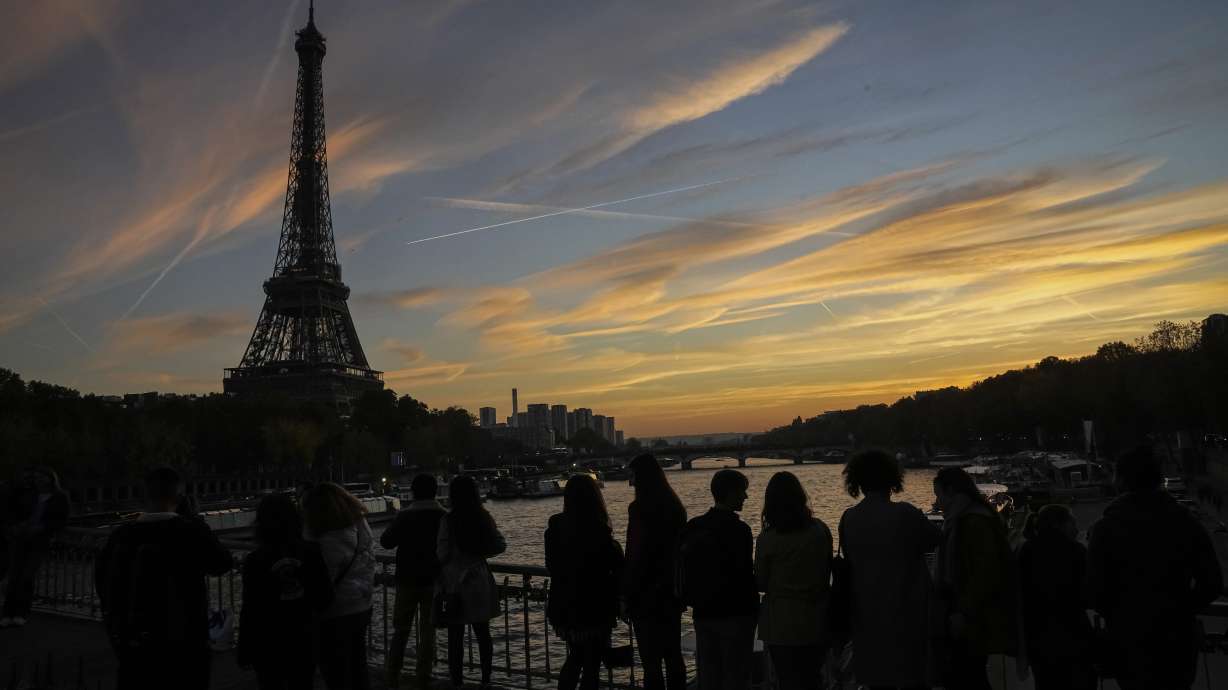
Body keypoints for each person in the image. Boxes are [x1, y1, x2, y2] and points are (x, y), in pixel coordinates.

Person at [1087, 446, 1222, 690]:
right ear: (1159, 478)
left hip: (1129, 641)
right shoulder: (1186, 522)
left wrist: (1122, 616)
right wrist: (1179, 609)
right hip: (1177, 640)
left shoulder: (1105, 528)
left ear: (1121, 480)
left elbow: (1095, 590)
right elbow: (1212, 583)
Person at [95, 466, 232, 690]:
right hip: (185, 641)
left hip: (134, 641)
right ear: (180, 497)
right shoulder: (190, 531)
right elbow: (222, 563)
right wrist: (195, 520)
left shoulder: (121, 536)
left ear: (143, 496)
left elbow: (104, 583)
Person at [838, 450, 939, 690]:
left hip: (866, 613)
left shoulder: (849, 518)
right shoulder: (905, 514)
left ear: (857, 482)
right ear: (892, 479)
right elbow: (935, 541)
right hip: (908, 609)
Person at [931, 467, 1017, 690]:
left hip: (971, 616)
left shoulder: (972, 523)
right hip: (970, 613)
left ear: (951, 491)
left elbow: (985, 573)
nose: (937, 502)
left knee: (967, 675)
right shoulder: (970, 517)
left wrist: (963, 612)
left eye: (938, 495)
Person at [238, 493, 335, 690]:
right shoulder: (311, 551)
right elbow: (325, 598)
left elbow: (250, 609)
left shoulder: (254, 560)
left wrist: (244, 649)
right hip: (303, 639)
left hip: (268, 642)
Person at [545, 474, 625, 690]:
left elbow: (552, 565)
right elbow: (612, 565)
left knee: (575, 657)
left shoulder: (556, 525)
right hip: (594, 605)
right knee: (591, 664)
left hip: (565, 604)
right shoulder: (598, 528)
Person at [680, 469, 758, 690]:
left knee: (709, 675)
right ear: (731, 493)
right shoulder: (740, 530)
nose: (746, 497)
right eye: (742, 491)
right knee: (736, 676)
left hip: (704, 612)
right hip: (736, 613)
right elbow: (743, 573)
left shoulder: (693, 527)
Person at [755, 471, 832, 690]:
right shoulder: (819, 530)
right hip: (816, 616)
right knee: (812, 678)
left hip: (781, 622)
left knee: (787, 679)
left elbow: (761, 582)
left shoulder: (767, 539)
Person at [301, 482, 377, 690]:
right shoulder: (361, 526)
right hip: (362, 604)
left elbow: (322, 580)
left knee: (336, 671)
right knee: (358, 665)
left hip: (336, 612)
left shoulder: (328, 541)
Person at [622, 453, 687, 690]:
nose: (631, 482)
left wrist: (626, 592)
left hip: (644, 592)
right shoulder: (675, 506)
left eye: (633, 476)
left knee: (651, 661)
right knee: (672, 653)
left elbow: (635, 552)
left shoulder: (639, 509)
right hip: (670, 590)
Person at [437, 475, 507, 689]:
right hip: (478, 579)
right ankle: (486, 679)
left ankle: (457, 680)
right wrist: (479, 553)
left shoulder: (448, 520)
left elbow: (441, 553)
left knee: (455, 635)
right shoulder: (483, 517)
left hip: (455, 582)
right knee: (483, 633)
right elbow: (500, 545)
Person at [381, 474, 448, 690]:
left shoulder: (404, 517)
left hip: (407, 579)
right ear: (435, 491)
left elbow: (387, 541)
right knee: (428, 631)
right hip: (433, 580)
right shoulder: (443, 516)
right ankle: (424, 675)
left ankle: (392, 674)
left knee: (400, 630)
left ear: (413, 492)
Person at [1017, 504, 1094, 690]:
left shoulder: (1025, 551)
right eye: (1072, 522)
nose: (1076, 528)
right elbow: (1089, 593)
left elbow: (1019, 598)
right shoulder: (1076, 551)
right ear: (1060, 524)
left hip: (1039, 638)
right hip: (1074, 634)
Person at [1, 467, 70, 627]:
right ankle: (8, 613)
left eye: (42, 477)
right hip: (21, 539)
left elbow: (61, 520)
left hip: (39, 540)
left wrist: (44, 527)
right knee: (15, 577)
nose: (38, 480)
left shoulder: (59, 497)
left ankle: (20, 612)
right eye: (36, 478)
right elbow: (14, 511)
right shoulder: (28, 494)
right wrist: (16, 525)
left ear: (51, 479)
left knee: (26, 577)